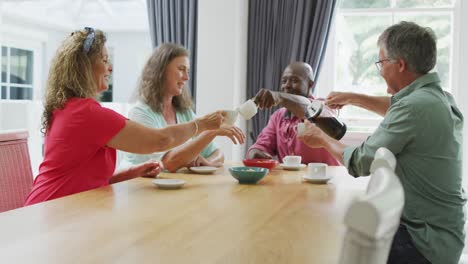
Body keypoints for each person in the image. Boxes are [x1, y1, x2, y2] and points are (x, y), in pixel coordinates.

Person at [298, 21, 465, 264]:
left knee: (328, 242)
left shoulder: (414, 107)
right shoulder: (436, 97)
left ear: (400, 65)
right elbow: (398, 107)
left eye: (381, 62)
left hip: (425, 243)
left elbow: (359, 162)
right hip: (444, 235)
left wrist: (320, 139)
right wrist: (353, 98)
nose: (379, 69)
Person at [24, 28, 227, 206]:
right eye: (104, 60)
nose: (110, 67)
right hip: (52, 212)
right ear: (84, 68)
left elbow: (80, 176)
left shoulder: (69, 108)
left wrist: (130, 173)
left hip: (64, 208)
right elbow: (160, 140)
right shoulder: (86, 114)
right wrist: (202, 124)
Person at [120, 43, 245, 172]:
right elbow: (168, 163)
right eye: (181, 69)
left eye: (188, 71)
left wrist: (207, 162)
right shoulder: (140, 114)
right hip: (140, 187)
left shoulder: (185, 113)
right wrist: (212, 131)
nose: (186, 77)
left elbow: (218, 154)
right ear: (161, 71)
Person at [246, 62, 338, 165]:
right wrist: (255, 153)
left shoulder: (325, 106)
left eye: (294, 80)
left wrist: (280, 97)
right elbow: (261, 145)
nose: (287, 85)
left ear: (310, 84)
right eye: (284, 81)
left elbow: (309, 108)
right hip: (290, 180)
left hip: (326, 178)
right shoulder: (278, 117)